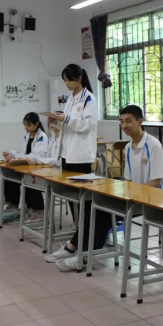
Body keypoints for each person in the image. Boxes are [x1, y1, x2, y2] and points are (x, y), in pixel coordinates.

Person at [44, 64, 102, 272]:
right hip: (67, 155)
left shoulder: (89, 99)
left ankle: (77, 246)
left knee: (83, 203)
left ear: (79, 78)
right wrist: (56, 122)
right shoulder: (71, 99)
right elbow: (68, 126)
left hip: (81, 157)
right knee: (73, 201)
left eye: (69, 80)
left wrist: (66, 118)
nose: (67, 84)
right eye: (64, 80)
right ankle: (75, 243)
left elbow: (87, 126)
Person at [2, 112, 49, 219]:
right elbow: (22, 152)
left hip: (37, 168)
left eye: (28, 125)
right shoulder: (27, 136)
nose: (26, 127)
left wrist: (22, 158)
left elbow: (37, 156)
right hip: (26, 167)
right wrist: (11, 155)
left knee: (29, 183)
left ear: (36, 124)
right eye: (24, 125)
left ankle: (38, 212)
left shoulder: (42, 137)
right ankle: (13, 205)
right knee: (8, 175)